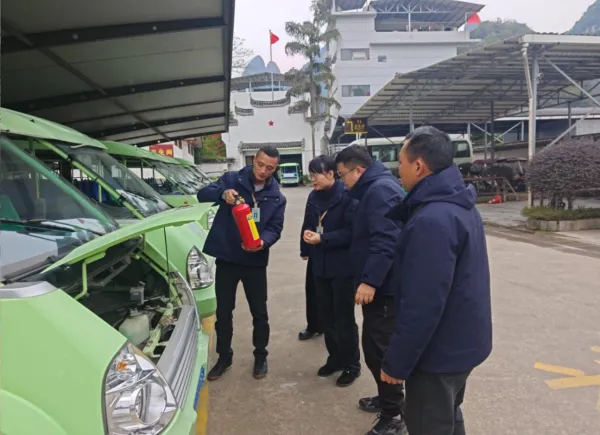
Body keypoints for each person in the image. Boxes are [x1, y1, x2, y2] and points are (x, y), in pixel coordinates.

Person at [381, 126, 492, 435]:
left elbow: (423, 303)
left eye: (401, 162)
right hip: (462, 344)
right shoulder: (458, 204)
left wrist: (397, 362)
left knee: (428, 423)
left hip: (438, 353)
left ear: (418, 165)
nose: (398, 170)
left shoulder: (432, 219)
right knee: (447, 415)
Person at [197, 145, 287, 381]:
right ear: (253, 159)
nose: (263, 171)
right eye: (260, 164)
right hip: (227, 258)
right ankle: (224, 357)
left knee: (260, 312)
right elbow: (202, 194)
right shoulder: (231, 180)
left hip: (254, 261)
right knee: (224, 311)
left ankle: (261, 356)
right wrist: (222, 194)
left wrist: (263, 242)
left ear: (275, 168)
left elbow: (275, 228)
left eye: (270, 168)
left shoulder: (276, 196)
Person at [335, 145, 406, 435]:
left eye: (342, 175)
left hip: (385, 289)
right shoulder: (372, 189)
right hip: (380, 286)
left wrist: (371, 281)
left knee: (380, 351)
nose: (342, 182)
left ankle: (394, 415)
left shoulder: (380, 191)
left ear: (359, 170)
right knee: (374, 348)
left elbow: (387, 239)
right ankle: (387, 399)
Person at [300, 155, 361, 387]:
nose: (313, 179)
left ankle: (352, 364)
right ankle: (335, 358)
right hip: (320, 265)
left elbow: (352, 232)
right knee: (327, 317)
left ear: (331, 174)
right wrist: (305, 246)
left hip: (342, 267)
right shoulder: (313, 196)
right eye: (311, 174)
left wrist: (323, 239)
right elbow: (308, 223)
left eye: (316, 174)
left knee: (344, 318)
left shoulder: (348, 197)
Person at [297, 257, 324, 341]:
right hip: (316, 254)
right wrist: (304, 250)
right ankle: (313, 326)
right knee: (312, 288)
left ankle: (333, 326)